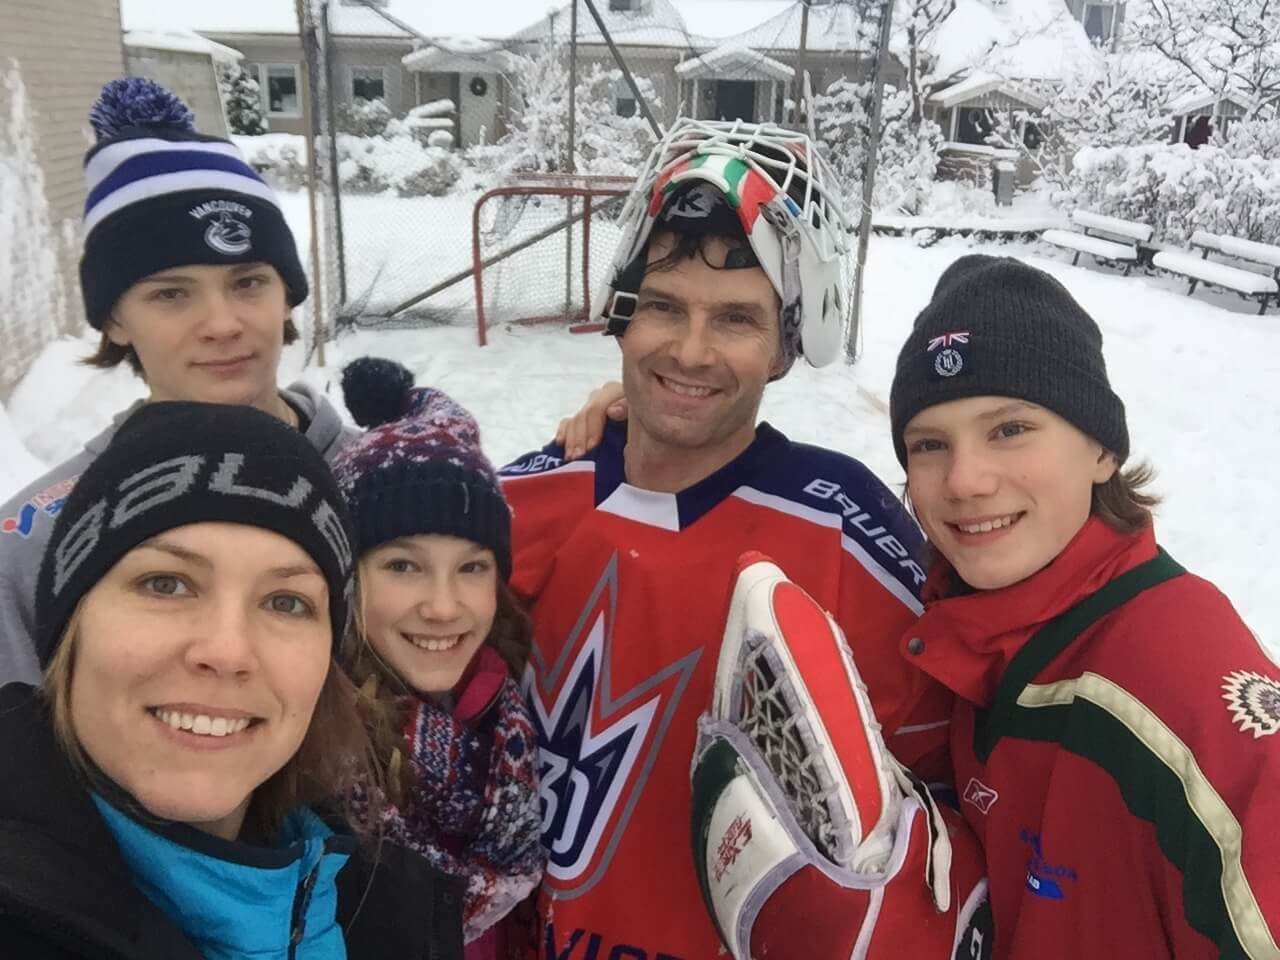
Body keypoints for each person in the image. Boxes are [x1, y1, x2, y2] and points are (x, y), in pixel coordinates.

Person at [498, 119, 953, 959]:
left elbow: (954, 788)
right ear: (623, 317)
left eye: (736, 319)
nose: (690, 350)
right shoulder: (525, 500)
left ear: (784, 349)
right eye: (663, 307)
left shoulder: (845, 528)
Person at [888, 255, 1279, 958]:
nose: (965, 480)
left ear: (1102, 449)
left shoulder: (1178, 684)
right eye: (930, 444)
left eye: (1010, 429)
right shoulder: (974, 630)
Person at [0, 401, 463, 959]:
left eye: (286, 602)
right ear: (68, 629)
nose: (227, 652)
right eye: (166, 584)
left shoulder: (382, 911)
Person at [0, 76, 357, 686]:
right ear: (115, 320)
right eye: (171, 294)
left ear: (287, 298)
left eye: (248, 283)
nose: (222, 324)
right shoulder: (34, 544)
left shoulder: (388, 479)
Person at [330, 357, 544, 958]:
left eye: (471, 567)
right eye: (403, 566)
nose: (444, 607)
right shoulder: (314, 757)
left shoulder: (506, 707)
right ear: (347, 578)